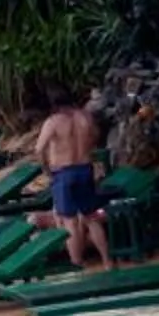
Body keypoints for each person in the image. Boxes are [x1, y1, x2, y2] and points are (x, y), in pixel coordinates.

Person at [32, 90, 113, 269]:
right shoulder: (86, 118)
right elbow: (95, 137)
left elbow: (39, 149)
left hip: (63, 171)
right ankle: (107, 260)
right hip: (84, 168)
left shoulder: (53, 122)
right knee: (91, 217)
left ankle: (77, 262)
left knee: (69, 221)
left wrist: (47, 169)